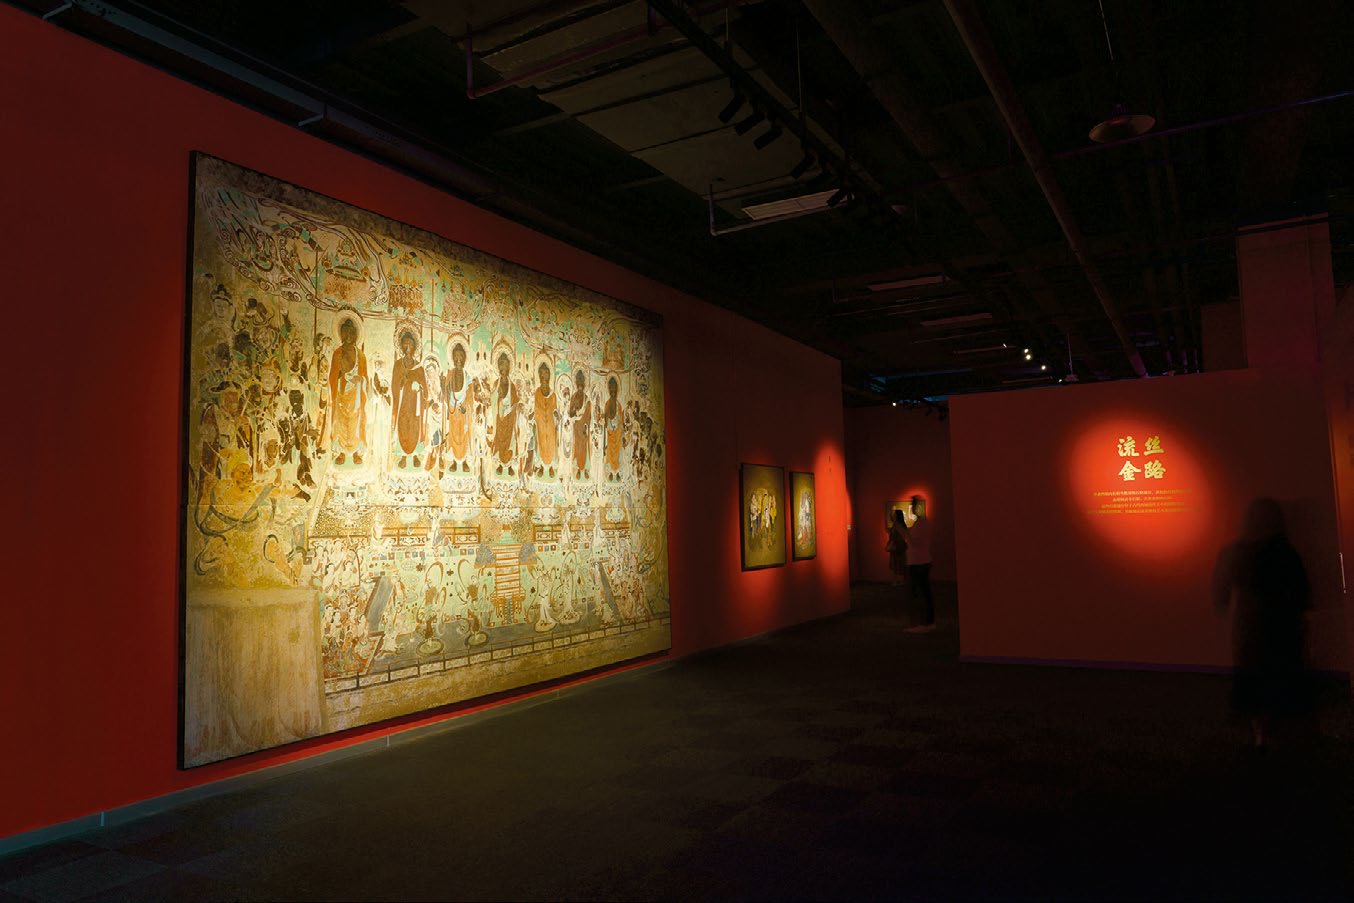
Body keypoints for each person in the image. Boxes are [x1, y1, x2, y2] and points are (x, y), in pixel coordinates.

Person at [1213, 497, 1312, 749]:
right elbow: (1301, 592)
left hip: (1248, 623)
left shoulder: (1235, 551)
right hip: (1281, 622)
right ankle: (1279, 730)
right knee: (1279, 672)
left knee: (1253, 674)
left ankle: (1259, 731)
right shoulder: (1285, 552)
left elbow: (1220, 592)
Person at [905, 496, 934, 631]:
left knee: (919, 593)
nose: (912, 509)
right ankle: (928, 622)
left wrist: (903, 532)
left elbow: (913, 543)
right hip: (923, 561)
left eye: (913, 505)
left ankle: (922, 623)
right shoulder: (924, 523)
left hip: (918, 563)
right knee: (925, 592)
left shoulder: (920, 524)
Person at [886, 509, 908, 586]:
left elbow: (896, 535)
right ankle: (900, 580)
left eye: (894, 515)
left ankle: (898, 580)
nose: (893, 516)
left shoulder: (897, 525)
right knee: (899, 564)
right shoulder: (900, 525)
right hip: (900, 547)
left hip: (897, 547)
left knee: (897, 564)